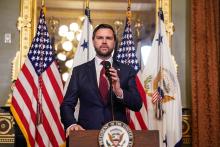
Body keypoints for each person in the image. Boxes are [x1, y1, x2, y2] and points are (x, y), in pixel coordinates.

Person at [60, 24, 142, 137]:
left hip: (118, 137)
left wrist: (118, 91)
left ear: (114, 42)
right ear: (93, 41)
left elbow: (137, 104)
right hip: (86, 136)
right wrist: (71, 124)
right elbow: (67, 104)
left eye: (108, 38)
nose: (104, 41)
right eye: (100, 38)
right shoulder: (79, 71)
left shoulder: (127, 71)